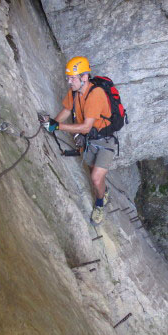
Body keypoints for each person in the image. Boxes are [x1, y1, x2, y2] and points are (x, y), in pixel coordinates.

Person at [42, 56, 117, 226]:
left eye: (72, 78)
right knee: (93, 174)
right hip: (89, 141)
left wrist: (58, 127)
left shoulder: (95, 95)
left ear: (84, 77)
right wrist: (51, 124)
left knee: (96, 178)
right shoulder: (75, 93)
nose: (69, 81)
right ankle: (103, 191)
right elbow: (67, 111)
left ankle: (99, 205)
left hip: (105, 142)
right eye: (68, 77)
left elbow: (85, 127)